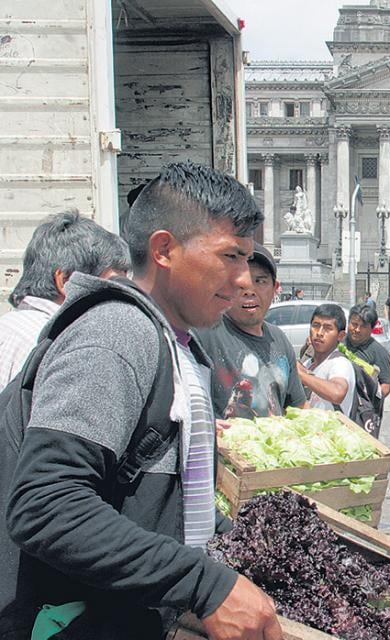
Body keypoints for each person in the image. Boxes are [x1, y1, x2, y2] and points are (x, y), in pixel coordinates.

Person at [1, 161, 281, 639]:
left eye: (249, 261)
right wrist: (203, 585)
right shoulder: (116, 333)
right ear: (165, 249)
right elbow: (46, 505)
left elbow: (155, 493)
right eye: (230, 257)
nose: (243, 280)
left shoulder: (181, 349)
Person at [0, 210, 131, 388]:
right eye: (110, 287)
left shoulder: (9, 325)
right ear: (65, 281)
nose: (119, 300)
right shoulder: (53, 345)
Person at [195, 243, 306, 420]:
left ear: (275, 288)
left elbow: (300, 409)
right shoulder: (205, 332)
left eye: (259, 281)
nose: (249, 291)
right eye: (241, 281)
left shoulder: (279, 339)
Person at [297, 303, 355, 413]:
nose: (319, 333)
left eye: (328, 328)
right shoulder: (308, 364)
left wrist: (301, 375)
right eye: (316, 326)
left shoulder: (339, 363)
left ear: (341, 336)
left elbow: (337, 393)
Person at [345, 303, 390, 403]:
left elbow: (386, 387)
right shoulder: (336, 343)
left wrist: (367, 398)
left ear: (372, 328)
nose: (357, 330)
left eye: (363, 326)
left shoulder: (380, 353)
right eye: (354, 324)